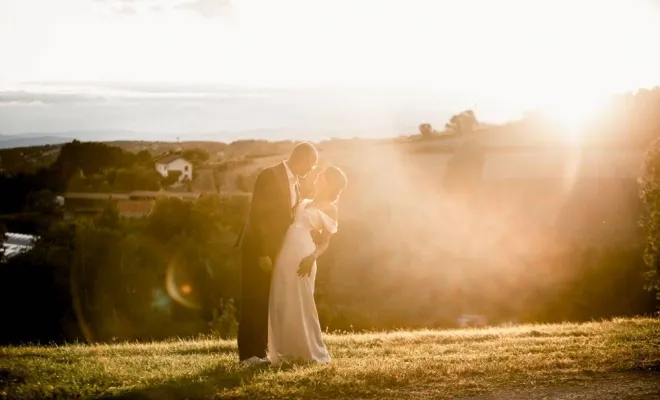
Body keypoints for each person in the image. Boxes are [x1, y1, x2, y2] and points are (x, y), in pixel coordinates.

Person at [236, 142, 318, 364]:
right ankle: (248, 356)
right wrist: (262, 253)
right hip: (257, 249)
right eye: (311, 164)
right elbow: (257, 216)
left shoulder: (296, 184)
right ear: (300, 159)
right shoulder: (270, 176)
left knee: (266, 300)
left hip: (276, 252)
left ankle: (260, 352)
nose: (311, 170)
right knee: (254, 301)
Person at [267, 166, 347, 365]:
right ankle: (284, 352)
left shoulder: (330, 208)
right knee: (280, 299)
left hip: (303, 254)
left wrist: (312, 257)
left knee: (302, 302)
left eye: (321, 176)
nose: (317, 177)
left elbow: (325, 242)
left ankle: (309, 351)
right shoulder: (303, 201)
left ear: (329, 183)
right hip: (283, 254)